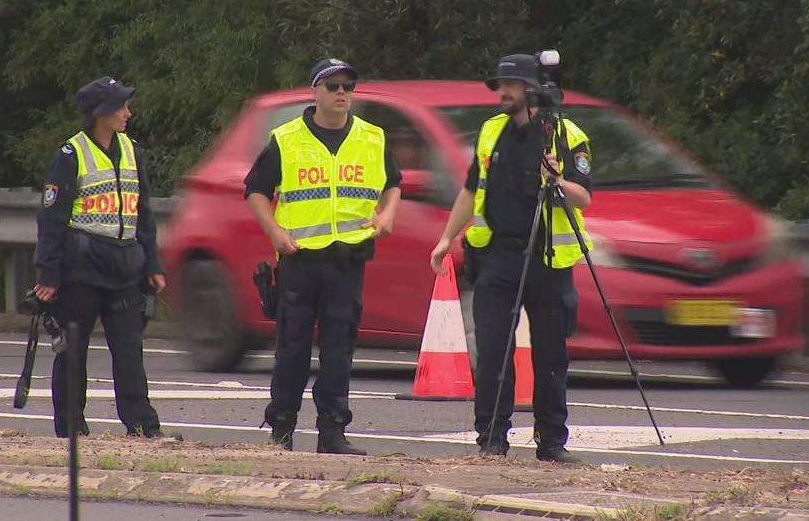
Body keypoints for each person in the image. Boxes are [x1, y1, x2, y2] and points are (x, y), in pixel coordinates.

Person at [428, 54, 593, 463]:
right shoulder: (491, 131)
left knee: (551, 354)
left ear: (532, 88)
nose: (503, 92)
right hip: (497, 256)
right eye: (501, 84)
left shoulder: (565, 135)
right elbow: (471, 189)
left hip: (547, 259)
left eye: (511, 85)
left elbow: (584, 196)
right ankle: (491, 438)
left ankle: (552, 440)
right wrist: (447, 237)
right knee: (493, 349)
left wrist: (556, 179)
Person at [244, 58, 402, 455]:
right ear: (314, 92)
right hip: (300, 261)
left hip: (348, 261)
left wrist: (387, 215)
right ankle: (281, 431)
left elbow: (394, 184)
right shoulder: (287, 139)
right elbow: (255, 190)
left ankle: (332, 433)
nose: (341, 93)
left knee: (338, 351)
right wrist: (275, 233)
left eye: (348, 85)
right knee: (292, 350)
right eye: (332, 86)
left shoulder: (371, 138)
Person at [34, 76, 174, 440]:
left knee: (130, 350)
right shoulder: (71, 155)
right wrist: (48, 273)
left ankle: (143, 424)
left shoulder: (132, 150)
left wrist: (153, 264)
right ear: (101, 113)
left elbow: (143, 212)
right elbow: (52, 218)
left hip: (126, 266)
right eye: (121, 107)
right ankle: (71, 426)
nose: (128, 113)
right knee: (73, 352)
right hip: (81, 270)